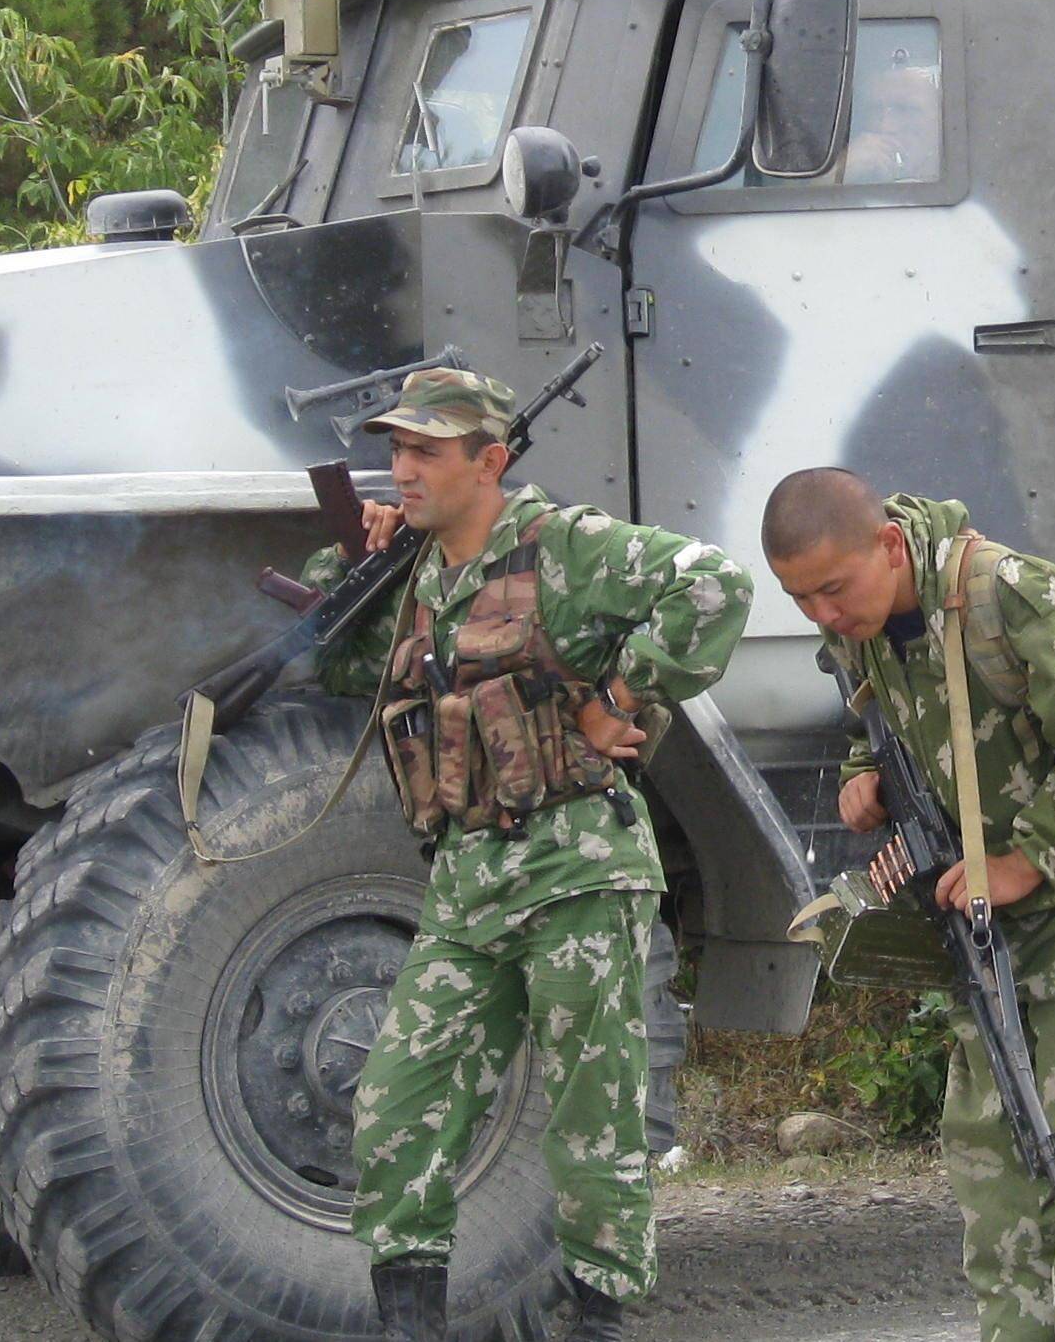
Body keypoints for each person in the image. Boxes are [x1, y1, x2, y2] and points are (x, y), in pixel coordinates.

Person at [312, 369, 751, 1342]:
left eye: (428, 451)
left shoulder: (569, 551)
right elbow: (335, 662)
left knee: (592, 1116)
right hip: (469, 885)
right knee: (396, 1104)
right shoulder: (418, 573)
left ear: (491, 461)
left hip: (577, 869)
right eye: (398, 451)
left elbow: (715, 584)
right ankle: (409, 1320)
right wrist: (355, 558)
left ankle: (597, 1319)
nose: (403, 469)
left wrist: (623, 700)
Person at [761, 467, 1055, 1342]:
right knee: (999, 1188)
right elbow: (879, 725)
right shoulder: (866, 632)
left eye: (833, 591)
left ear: (886, 546)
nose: (825, 618)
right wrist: (863, 778)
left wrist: (1029, 859)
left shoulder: (1009, 596)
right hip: (980, 935)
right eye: (802, 602)